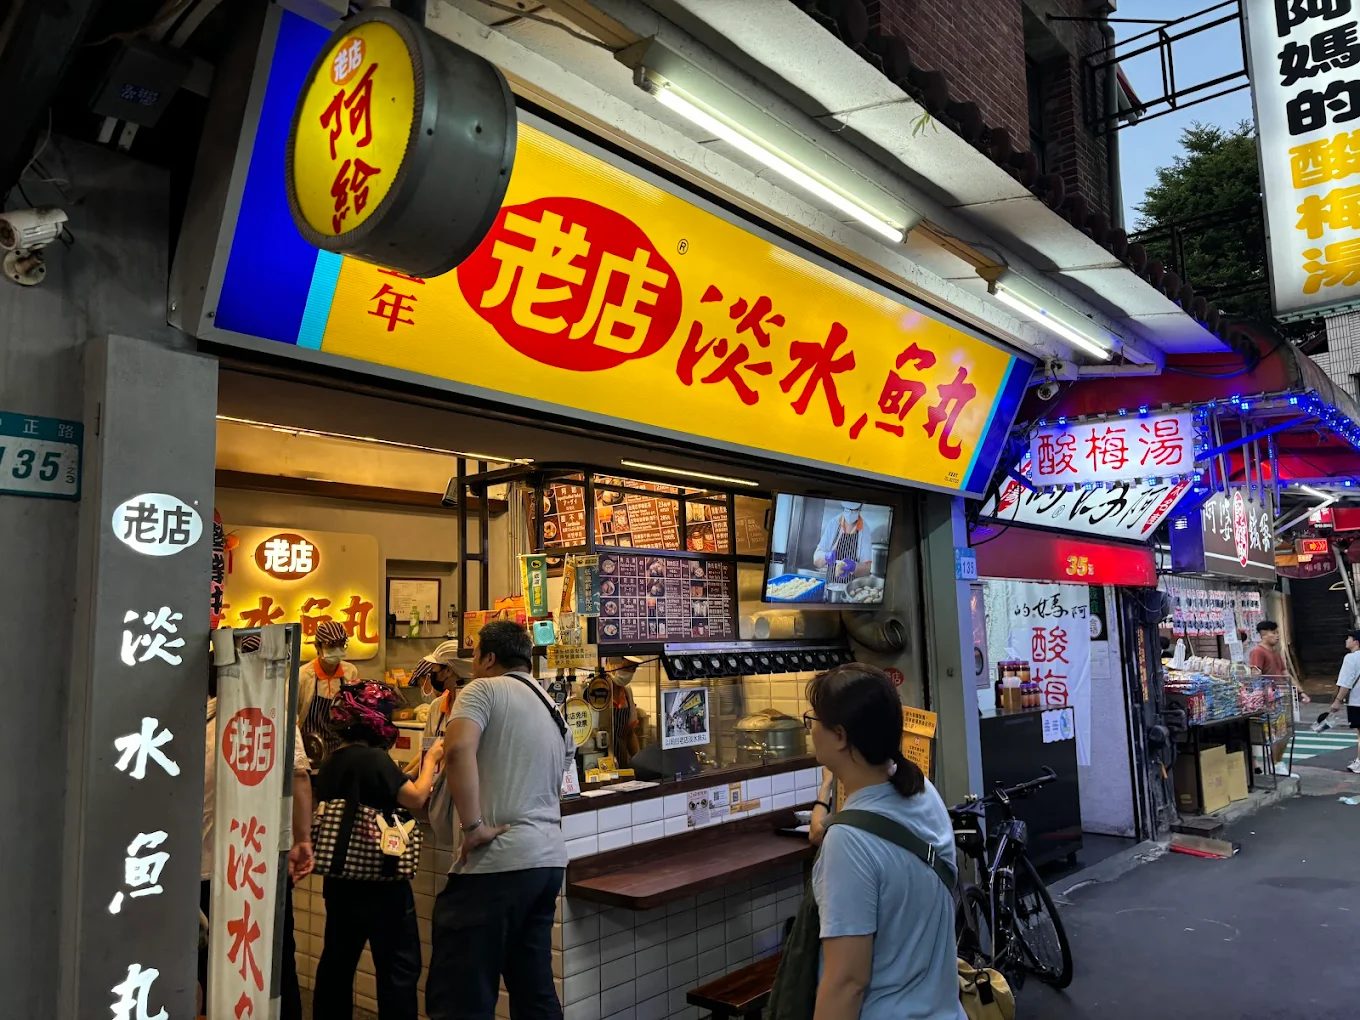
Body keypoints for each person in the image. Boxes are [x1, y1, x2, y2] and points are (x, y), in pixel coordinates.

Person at [427, 620, 576, 1020]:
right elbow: (563, 776)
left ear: (489, 658)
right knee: (534, 991)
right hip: (546, 862)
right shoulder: (553, 707)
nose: (472, 664)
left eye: (474, 654)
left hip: (496, 864)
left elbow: (457, 750)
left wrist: (474, 827)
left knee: (461, 995)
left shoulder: (482, 690)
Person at [804, 663, 964, 1020]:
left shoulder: (849, 842)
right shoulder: (923, 793)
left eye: (813, 720)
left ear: (841, 736)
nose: (810, 728)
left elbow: (847, 983)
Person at [313, 681, 443, 1020]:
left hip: (341, 879)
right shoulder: (373, 759)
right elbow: (414, 798)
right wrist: (432, 760)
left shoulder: (333, 760)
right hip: (382, 881)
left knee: (338, 962)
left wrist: (415, 767)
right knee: (398, 967)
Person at [200, 643, 312, 1019]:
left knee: (210, 967)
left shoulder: (184, 722)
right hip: (257, 869)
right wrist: (303, 839)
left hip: (203, 869)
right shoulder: (274, 712)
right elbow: (299, 776)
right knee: (273, 964)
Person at [1249, 620, 1309, 777]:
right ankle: (1275, 764)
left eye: (1277, 633)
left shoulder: (1275, 652)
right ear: (1263, 634)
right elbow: (1255, 675)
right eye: (1273, 633)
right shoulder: (1258, 652)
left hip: (1283, 697)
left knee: (1285, 732)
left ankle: (1277, 762)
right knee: (1276, 733)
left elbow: (1285, 672)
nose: (1276, 636)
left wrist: (1300, 691)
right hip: (1270, 699)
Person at [406, 640, 474, 777]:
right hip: (437, 785)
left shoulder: (474, 707)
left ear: (448, 671)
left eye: (434, 668)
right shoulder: (437, 706)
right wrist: (407, 775)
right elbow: (427, 749)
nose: (431, 673)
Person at [298, 621, 360, 768]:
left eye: (341, 645)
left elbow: (355, 709)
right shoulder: (303, 675)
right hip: (310, 748)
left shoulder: (350, 672)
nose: (337, 650)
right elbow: (289, 714)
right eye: (331, 646)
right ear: (317, 647)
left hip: (340, 747)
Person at [813, 501, 873, 583]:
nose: (850, 514)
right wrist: (826, 557)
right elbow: (816, 560)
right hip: (831, 585)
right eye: (848, 510)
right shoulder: (833, 524)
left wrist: (854, 567)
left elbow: (867, 570)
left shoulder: (865, 530)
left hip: (851, 589)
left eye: (854, 510)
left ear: (860, 509)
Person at [1327, 629, 1360, 775]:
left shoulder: (1351, 658)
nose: (1346, 640)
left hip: (1357, 702)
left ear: (1356, 642)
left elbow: (1346, 683)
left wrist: (1337, 701)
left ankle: (1359, 762)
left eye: (1349, 638)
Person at [602, 655, 644, 766]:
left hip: (621, 761)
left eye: (633, 669)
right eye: (627, 667)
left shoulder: (627, 692)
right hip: (600, 761)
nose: (630, 673)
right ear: (611, 663)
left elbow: (630, 734)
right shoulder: (597, 689)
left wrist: (639, 764)